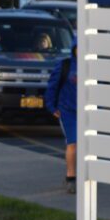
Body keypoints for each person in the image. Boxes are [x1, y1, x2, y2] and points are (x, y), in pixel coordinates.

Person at [44, 39, 77, 192]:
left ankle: (85, 176)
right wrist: (51, 107)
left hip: (86, 112)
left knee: (87, 147)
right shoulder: (65, 65)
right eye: (78, 47)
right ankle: (71, 178)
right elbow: (52, 87)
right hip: (68, 111)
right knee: (73, 144)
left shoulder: (92, 65)